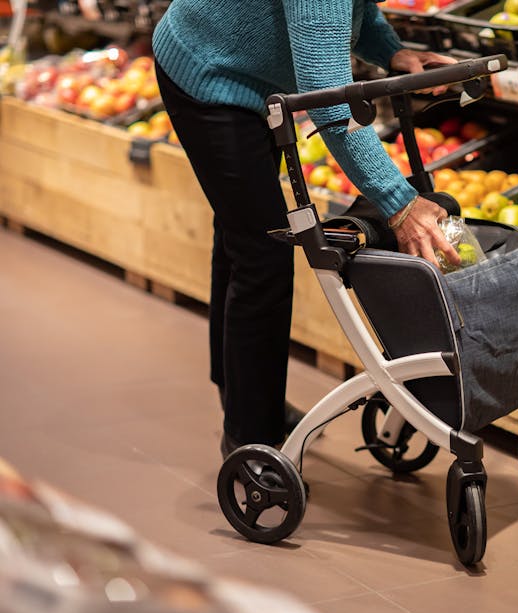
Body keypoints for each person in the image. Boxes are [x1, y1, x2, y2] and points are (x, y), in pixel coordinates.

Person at [151, 0, 463, 458]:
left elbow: (356, 8)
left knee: (242, 237)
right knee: (264, 254)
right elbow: (326, 87)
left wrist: (392, 52)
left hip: (249, 76)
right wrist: (398, 204)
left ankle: (242, 394)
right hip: (206, 73)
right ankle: (249, 436)